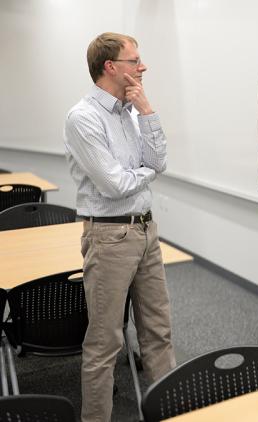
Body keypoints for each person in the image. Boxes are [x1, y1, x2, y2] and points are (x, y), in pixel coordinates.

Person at [64, 32, 175, 422]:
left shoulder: (130, 110)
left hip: (146, 231)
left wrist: (146, 109)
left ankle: (170, 413)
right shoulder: (83, 117)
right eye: (135, 61)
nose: (142, 67)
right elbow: (114, 185)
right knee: (104, 342)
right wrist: (146, 170)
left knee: (158, 334)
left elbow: (159, 160)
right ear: (111, 67)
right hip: (110, 236)